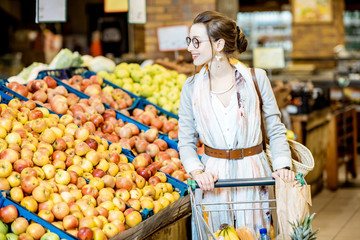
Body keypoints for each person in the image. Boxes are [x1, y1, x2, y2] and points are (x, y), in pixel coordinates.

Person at [178, 11, 295, 238]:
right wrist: (197, 170)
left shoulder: (256, 78)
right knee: (217, 234)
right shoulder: (191, 87)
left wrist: (282, 166)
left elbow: (275, 126)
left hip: (253, 173)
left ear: (219, 44)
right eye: (189, 41)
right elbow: (185, 139)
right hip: (213, 179)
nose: (190, 48)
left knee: (255, 233)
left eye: (196, 42)